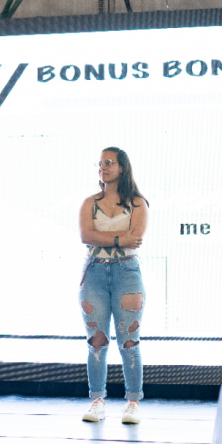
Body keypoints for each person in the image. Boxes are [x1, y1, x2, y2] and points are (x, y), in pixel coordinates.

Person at [79, 147, 149, 424]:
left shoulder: (138, 203)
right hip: (94, 271)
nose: (103, 168)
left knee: (129, 340)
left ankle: (133, 402)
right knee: (96, 340)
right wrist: (120, 238)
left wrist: (102, 236)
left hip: (126, 272)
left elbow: (136, 236)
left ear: (122, 167)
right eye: (100, 163)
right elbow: (86, 236)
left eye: (109, 162)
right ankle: (97, 400)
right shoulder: (89, 203)